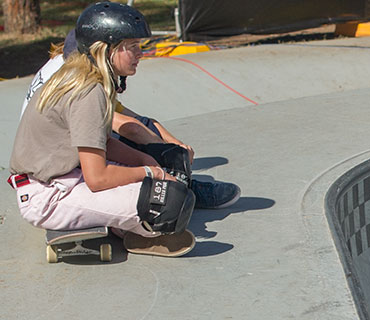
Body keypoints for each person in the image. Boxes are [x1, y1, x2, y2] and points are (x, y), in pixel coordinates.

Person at [8, 2, 196, 256]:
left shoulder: (80, 75)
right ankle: (131, 227)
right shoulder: (88, 91)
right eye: (132, 47)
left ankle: (120, 221)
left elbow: (102, 143)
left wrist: (145, 159)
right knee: (168, 202)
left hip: (61, 179)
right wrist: (150, 172)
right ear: (106, 50)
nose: (140, 53)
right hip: (49, 197)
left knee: (159, 167)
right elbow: (97, 179)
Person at [21, 28, 240, 210]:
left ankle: (171, 180)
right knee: (133, 138)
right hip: (55, 168)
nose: (140, 54)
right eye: (132, 46)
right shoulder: (81, 83)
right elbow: (123, 127)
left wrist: (171, 142)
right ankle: (182, 189)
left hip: (47, 157)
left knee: (143, 127)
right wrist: (165, 158)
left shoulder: (70, 64)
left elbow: (130, 116)